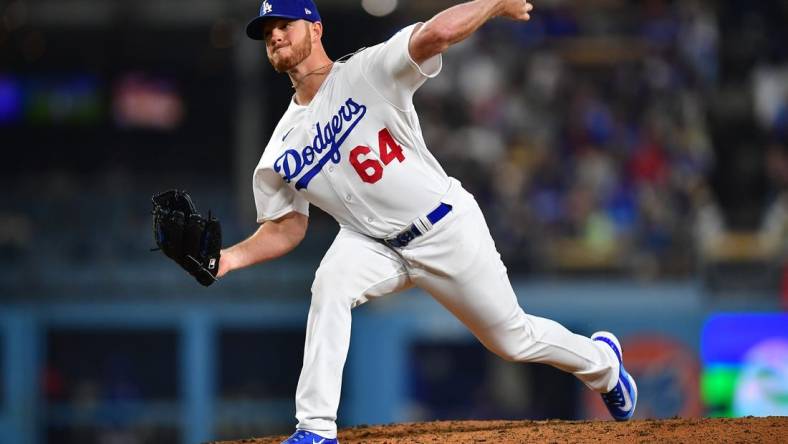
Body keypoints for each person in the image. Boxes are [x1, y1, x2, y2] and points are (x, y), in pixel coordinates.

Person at [221, 1, 638, 443]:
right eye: (267, 32)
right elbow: (287, 227)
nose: (276, 36)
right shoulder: (278, 152)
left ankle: (604, 363)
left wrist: (495, 3)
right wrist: (226, 258)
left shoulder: (367, 71)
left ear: (316, 28)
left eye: (284, 24)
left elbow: (435, 34)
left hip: (441, 226)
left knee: (513, 339)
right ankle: (316, 429)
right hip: (370, 242)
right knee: (329, 285)